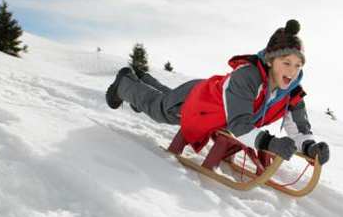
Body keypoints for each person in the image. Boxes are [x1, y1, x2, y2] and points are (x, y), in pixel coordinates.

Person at [106, 19, 329, 164]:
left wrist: (310, 147)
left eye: (298, 65)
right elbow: (240, 126)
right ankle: (124, 83)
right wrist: (270, 143)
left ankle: (144, 79)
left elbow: (298, 128)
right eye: (286, 62)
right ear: (270, 61)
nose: (292, 71)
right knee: (158, 108)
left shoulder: (292, 93)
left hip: (215, 105)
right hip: (197, 101)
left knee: (164, 98)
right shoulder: (247, 77)